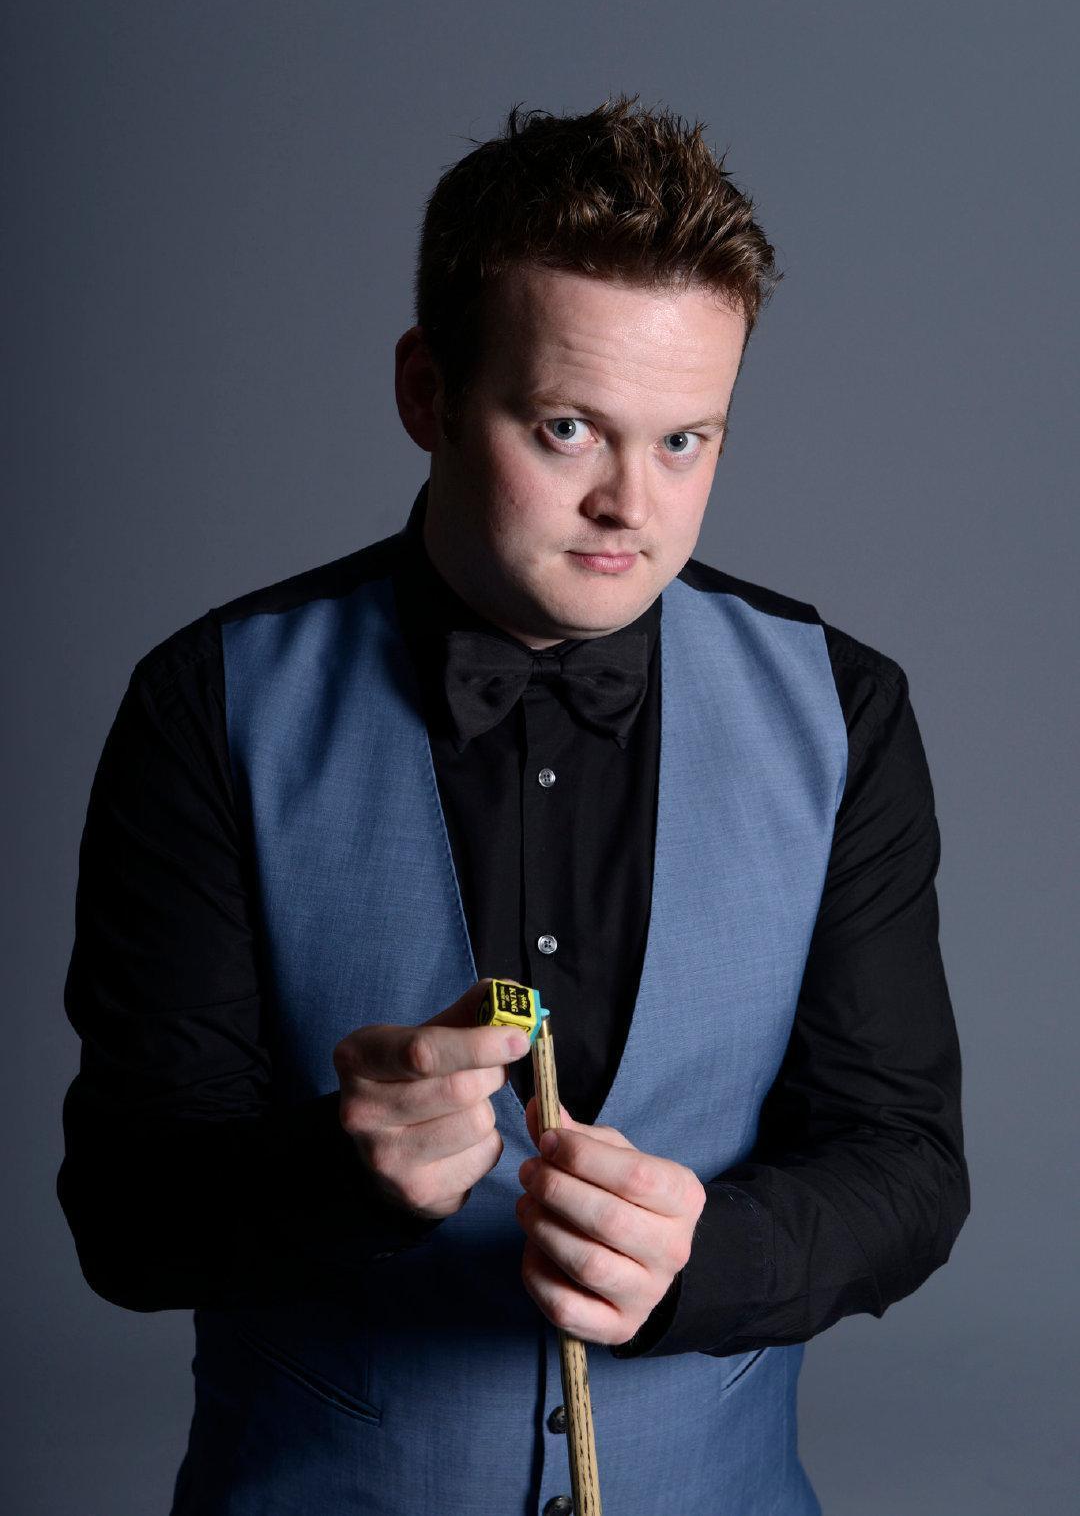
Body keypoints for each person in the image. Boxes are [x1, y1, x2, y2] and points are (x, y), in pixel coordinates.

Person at [57, 95, 970, 1516]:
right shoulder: (206, 703)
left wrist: (714, 1257)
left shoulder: (845, 711)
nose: (632, 505)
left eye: (687, 440)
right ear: (426, 391)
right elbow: (124, 1216)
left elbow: (907, 1164)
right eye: (567, 428)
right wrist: (334, 1171)